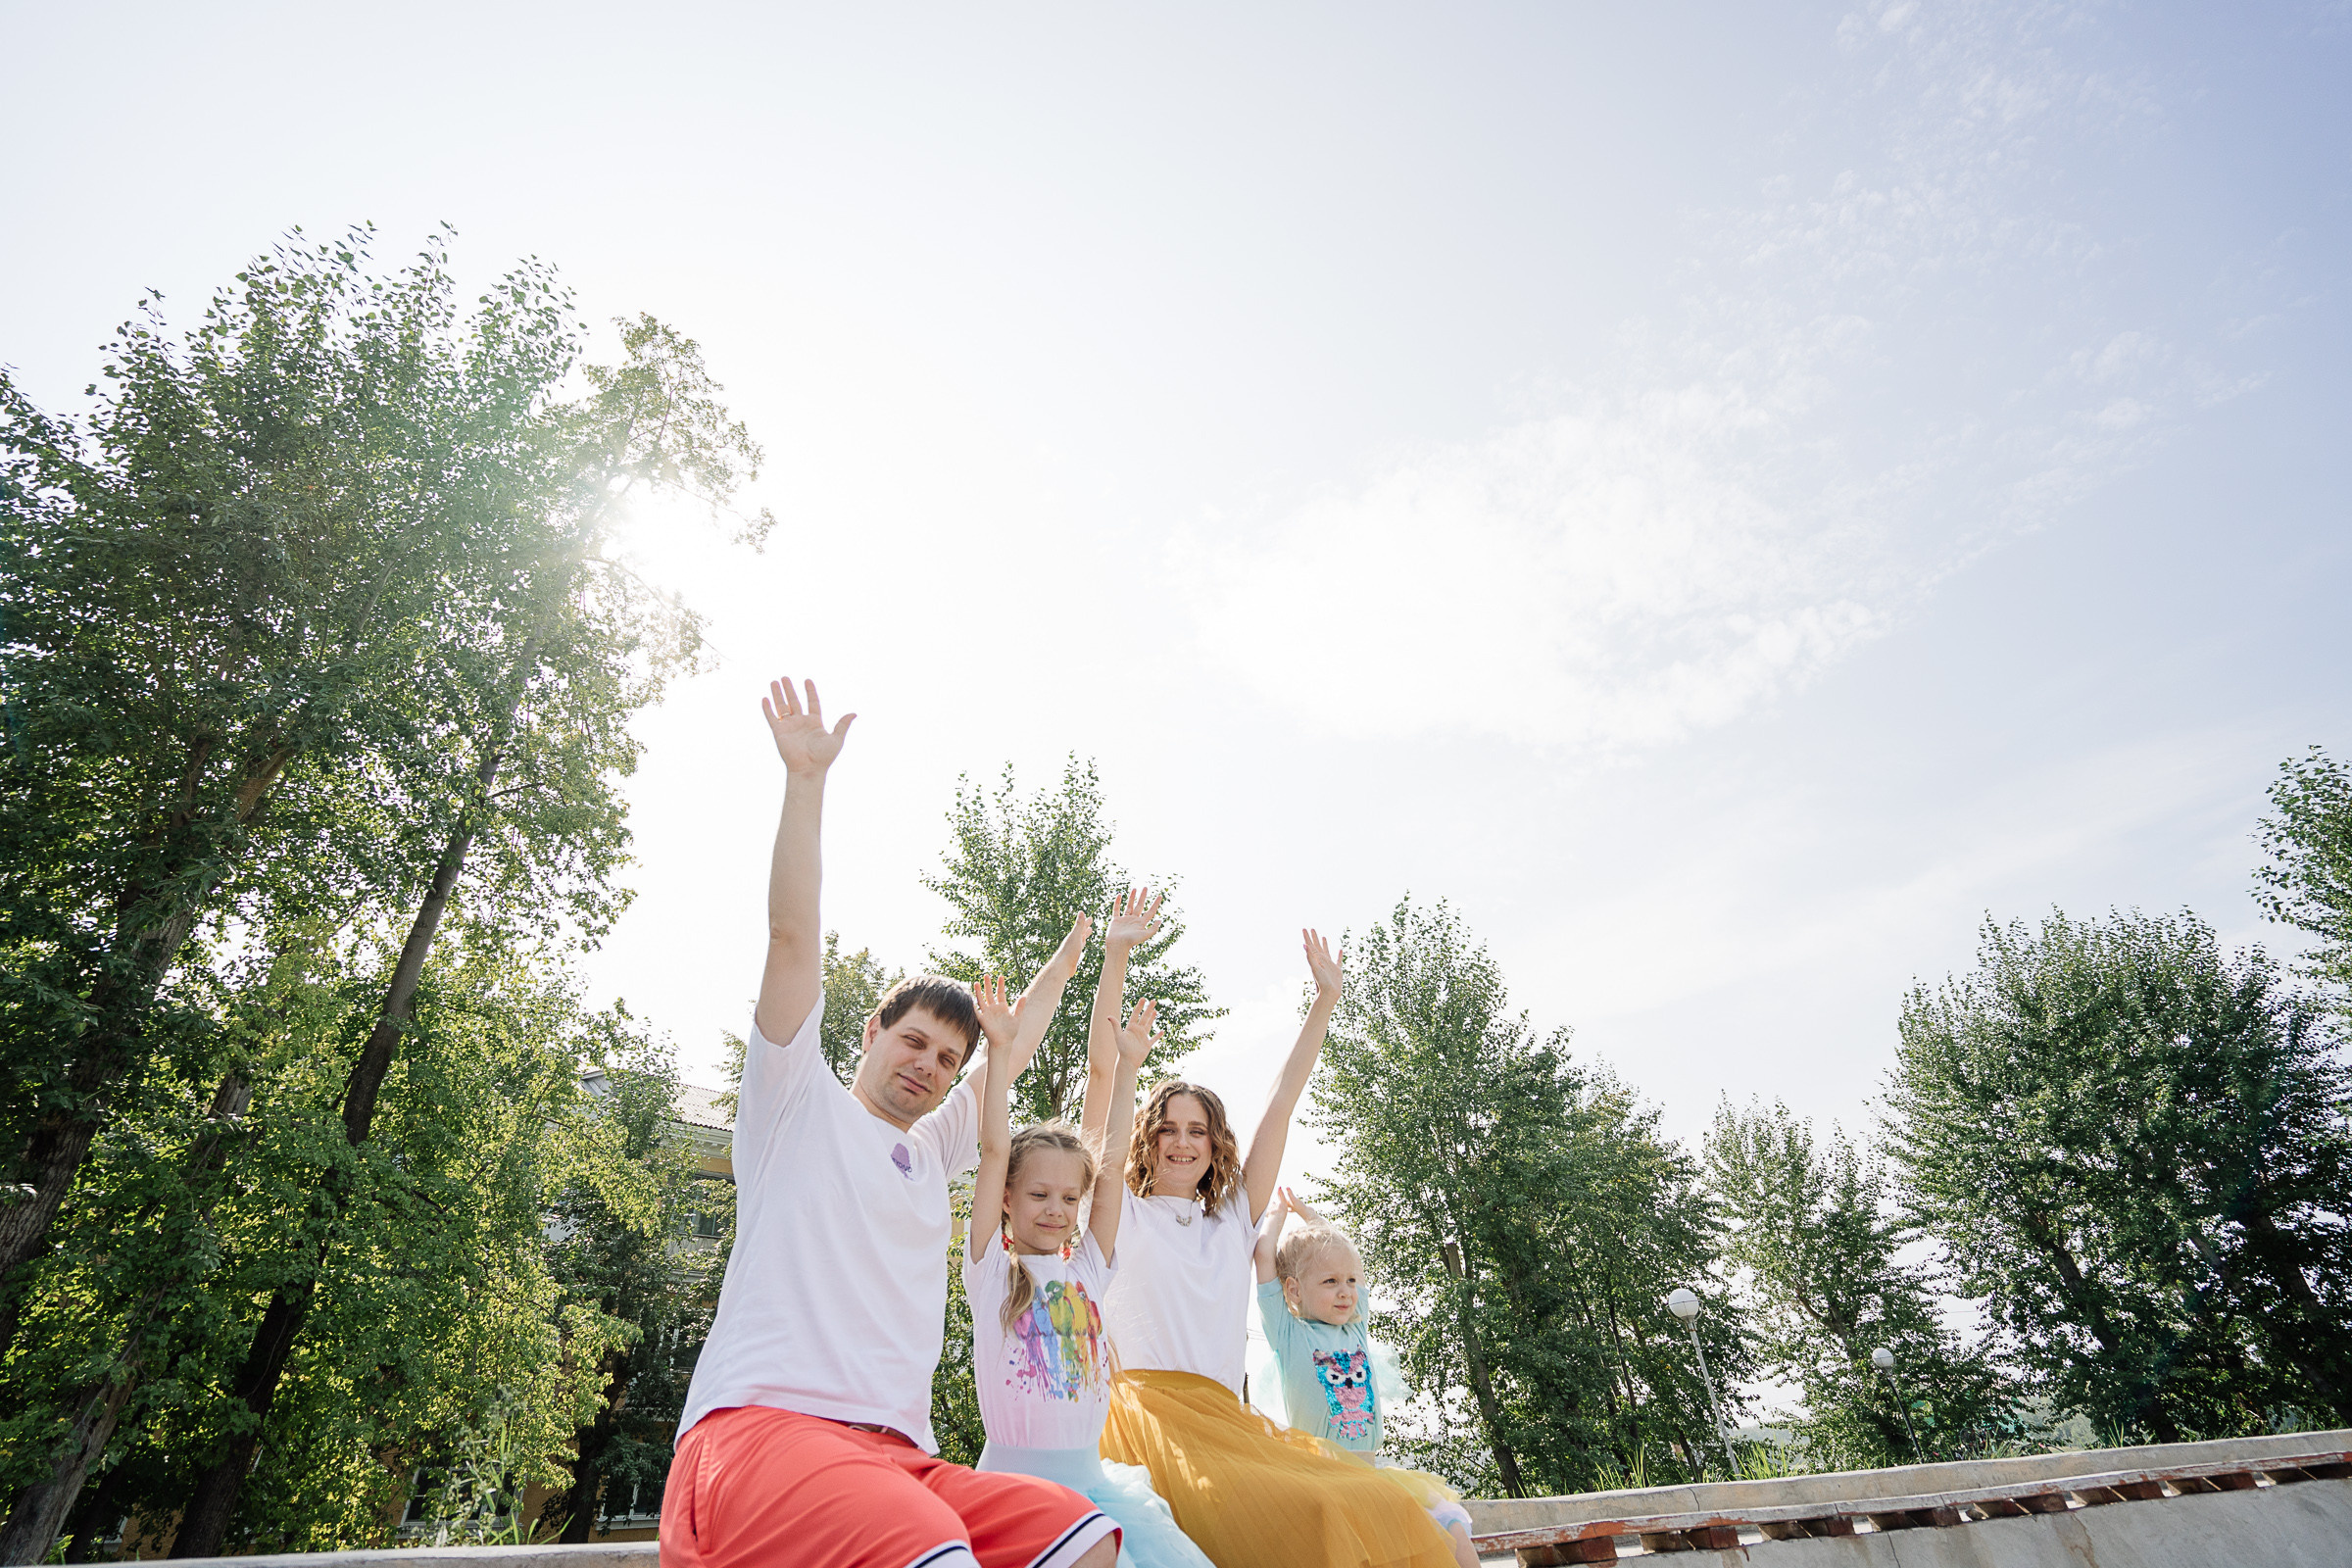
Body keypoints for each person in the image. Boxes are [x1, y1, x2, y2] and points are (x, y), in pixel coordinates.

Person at [661, 678, 1118, 1568]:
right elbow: (792, 939)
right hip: (760, 1429)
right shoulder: (797, 1101)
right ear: (871, 1033)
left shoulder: (933, 1146)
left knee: (1083, 1538)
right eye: (913, 1042)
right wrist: (806, 782)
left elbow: (1013, 1041)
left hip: (894, 1453)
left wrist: (1076, 957)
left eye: (948, 1060)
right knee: (930, 1548)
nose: (929, 1067)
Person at [1082, 902, 1457, 1568]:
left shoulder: (1229, 1220)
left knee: (1414, 1513)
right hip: (1154, 1426)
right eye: (1167, 1128)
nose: (1182, 1142)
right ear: (1145, 1137)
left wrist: (1325, 1002)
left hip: (1230, 1422)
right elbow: (1103, 1076)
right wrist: (1116, 959)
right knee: (1313, 1516)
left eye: (1197, 1130)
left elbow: (1284, 1097)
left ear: (1215, 1143)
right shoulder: (1119, 1214)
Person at [961, 953, 1218, 1568]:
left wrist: (1130, 1066)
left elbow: (1106, 1164)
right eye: (1039, 1195)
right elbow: (995, 1148)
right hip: (1013, 1491)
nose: (1056, 1210)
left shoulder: (1087, 1269)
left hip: (1095, 1490)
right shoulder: (993, 1271)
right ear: (1006, 1198)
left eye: (1068, 1198)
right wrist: (999, 1052)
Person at [1256, 1189, 1480, 1568]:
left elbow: (1350, 1258)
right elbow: (1264, 1257)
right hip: (1323, 1477)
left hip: (1372, 1472)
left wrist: (1310, 1215)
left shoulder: (1355, 1329)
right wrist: (1279, 1211)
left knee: (1450, 1526)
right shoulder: (1290, 1334)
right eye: (1330, 1282)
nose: (1346, 1291)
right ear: (1294, 1289)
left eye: (1349, 1282)